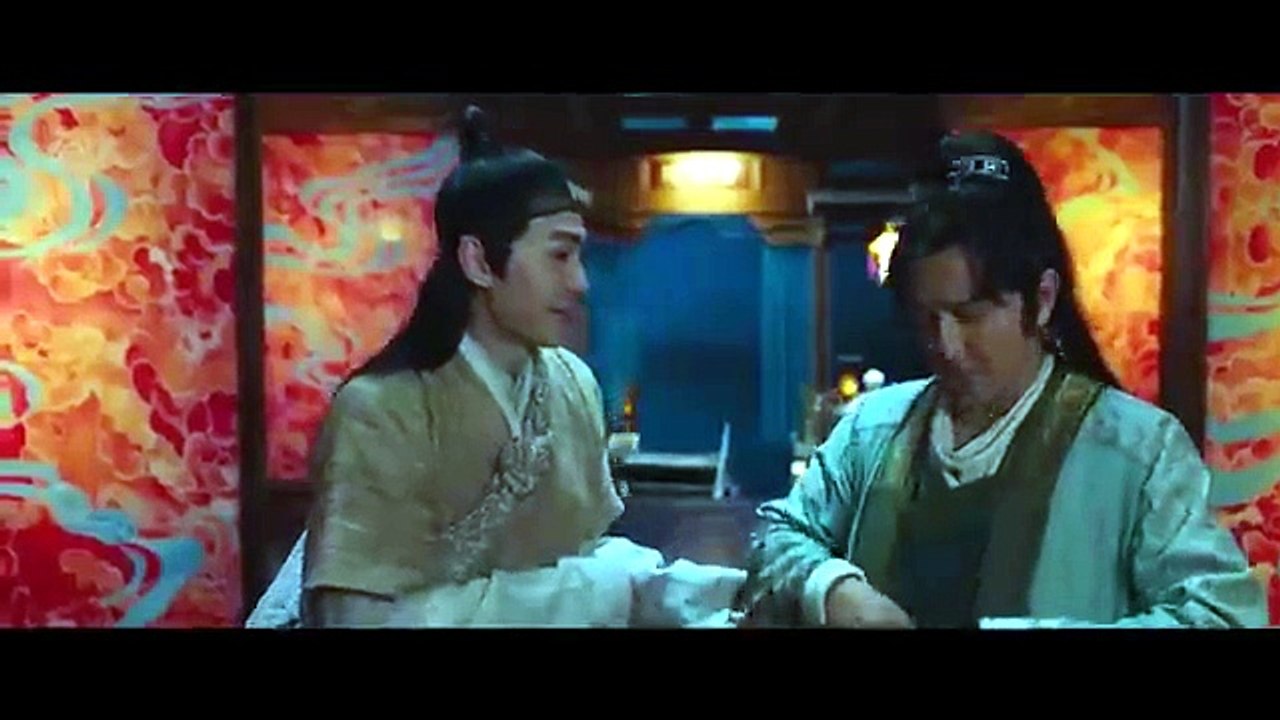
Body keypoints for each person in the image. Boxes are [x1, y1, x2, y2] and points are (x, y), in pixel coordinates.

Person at [734, 130, 1266, 629]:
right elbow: (776, 538)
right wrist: (830, 588)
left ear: (1043, 299)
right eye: (927, 317)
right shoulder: (872, 432)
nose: (945, 345)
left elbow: (1222, 615)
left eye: (970, 315)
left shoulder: (1138, 451)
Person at [247, 106, 743, 628]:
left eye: (579, 257)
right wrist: (582, 596)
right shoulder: (381, 409)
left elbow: (585, 552)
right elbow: (357, 617)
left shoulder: (572, 384)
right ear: (479, 262)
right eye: (559, 255)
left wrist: (689, 593)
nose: (580, 282)